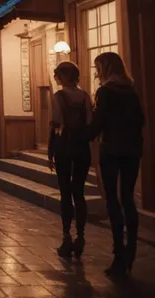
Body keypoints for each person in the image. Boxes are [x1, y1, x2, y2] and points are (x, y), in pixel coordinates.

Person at [90, 52, 144, 277]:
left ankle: (118, 253)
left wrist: (80, 136)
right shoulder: (130, 90)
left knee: (112, 199)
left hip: (111, 148)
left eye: (98, 67)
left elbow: (98, 122)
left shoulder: (105, 91)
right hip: (132, 149)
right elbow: (141, 119)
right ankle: (131, 249)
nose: (96, 72)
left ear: (105, 68)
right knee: (128, 198)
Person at [47, 62, 92, 259]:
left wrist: (51, 150)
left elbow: (56, 122)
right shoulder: (85, 96)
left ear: (64, 77)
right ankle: (81, 236)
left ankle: (66, 236)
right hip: (82, 146)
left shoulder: (59, 97)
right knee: (79, 192)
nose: (56, 79)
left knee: (65, 192)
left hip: (64, 145)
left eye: (58, 75)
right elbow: (90, 121)